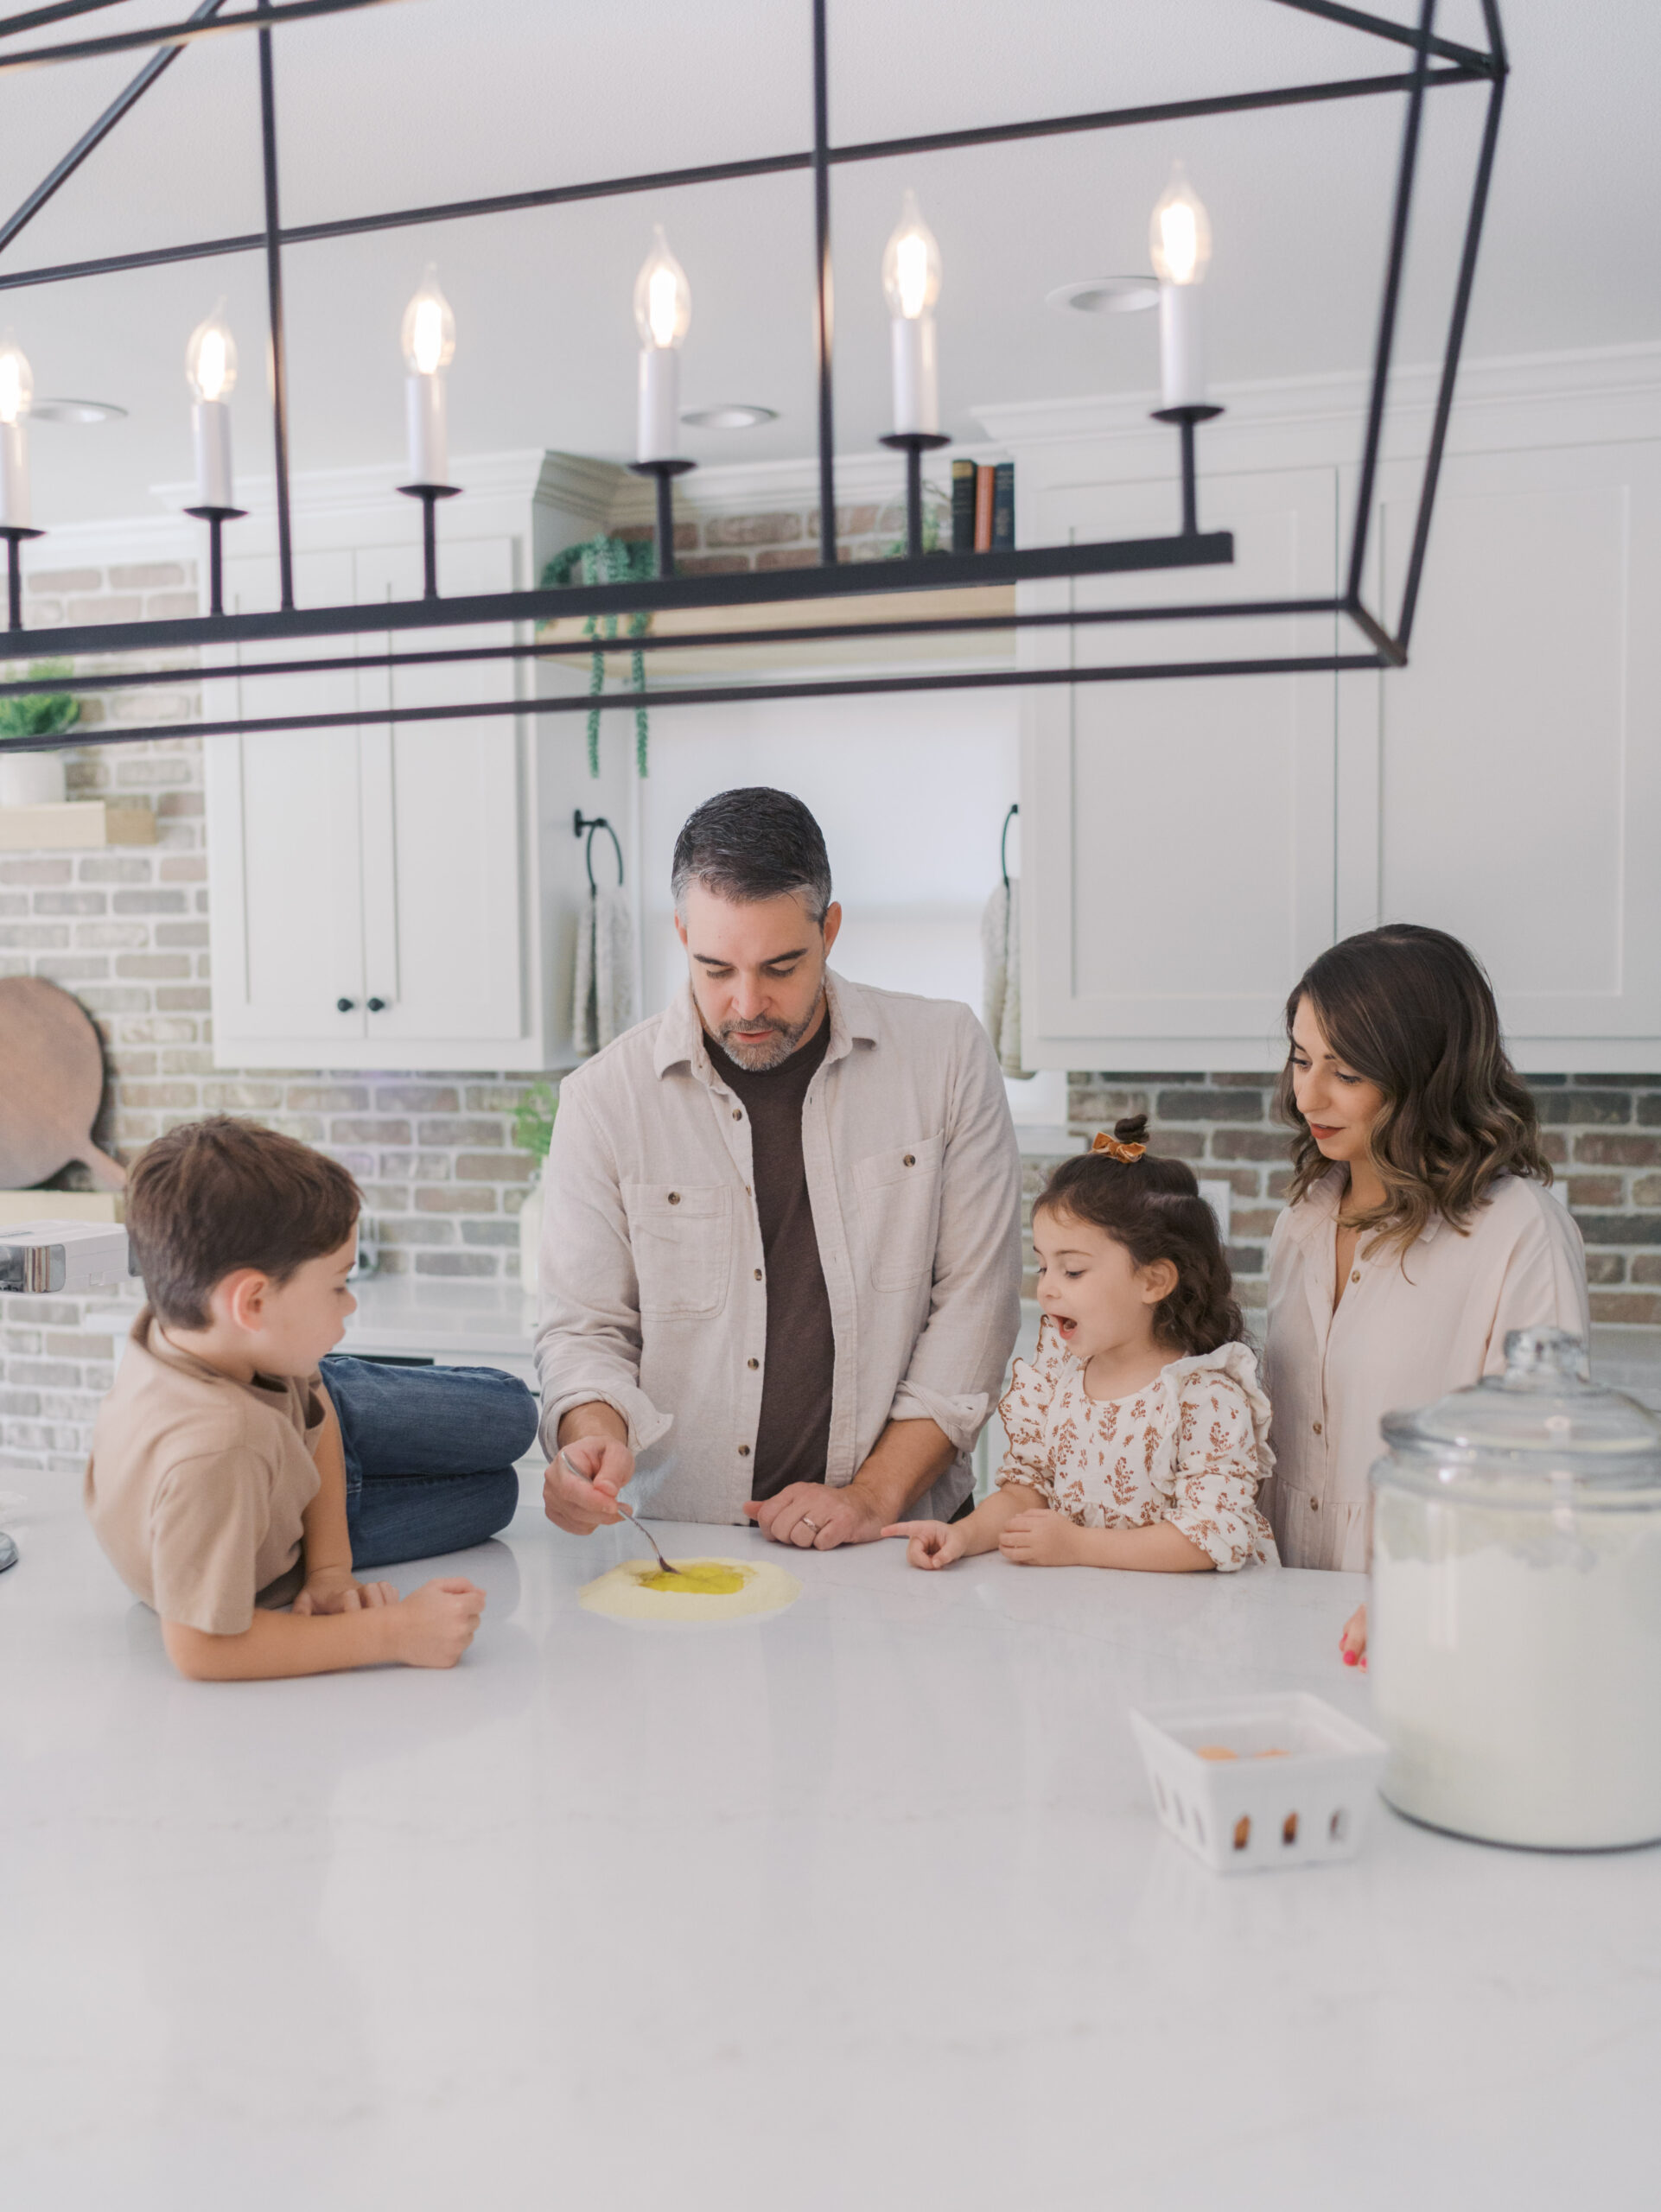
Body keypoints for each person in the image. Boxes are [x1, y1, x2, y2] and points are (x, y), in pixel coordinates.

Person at [537, 786, 1022, 1548]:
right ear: (680, 933)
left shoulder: (945, 1056)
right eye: (715, 969)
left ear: (830, 929)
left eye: (780, 966)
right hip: (688, 1543)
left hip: (897, 1542)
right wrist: (589, 1436)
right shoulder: (604, 1100)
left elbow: (976, 1308)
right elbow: (585, 1329)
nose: (747, 1002)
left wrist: (871, 1495)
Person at [84, 1116, 538, 1680]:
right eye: (338, 1285)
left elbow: (311, 1393)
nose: (350, 1306)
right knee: (498, 1498)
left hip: (294, 1462)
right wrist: (395, 1632)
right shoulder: (220, 1448)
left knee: (515, 1415)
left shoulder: (206, 1332)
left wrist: (332, 1569)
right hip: (267, 1525)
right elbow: (201, 1648)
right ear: (251, 1304)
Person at [1263, 925, 1588, 1660]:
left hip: (1434, 1631)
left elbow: (1542, 1476)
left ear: (1427, 1074)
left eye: (1346, 1073)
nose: (1307, 1093)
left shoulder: (1518, 1232)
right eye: (1301, 1058)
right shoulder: (1302, 1218)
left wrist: (1428, 1593)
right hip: (1276, 1614)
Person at [888, 1117, 1276, 1573]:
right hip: (1082, 1621)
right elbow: (1025, 1493)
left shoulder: (1204, 1398)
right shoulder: (1057, 1381)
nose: (1047, 1289)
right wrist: (963, 1533)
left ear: (1154, 1280)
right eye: (1043, 1268)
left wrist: (1076, 1546)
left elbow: (1209, 1537)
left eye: (1071, 1270)